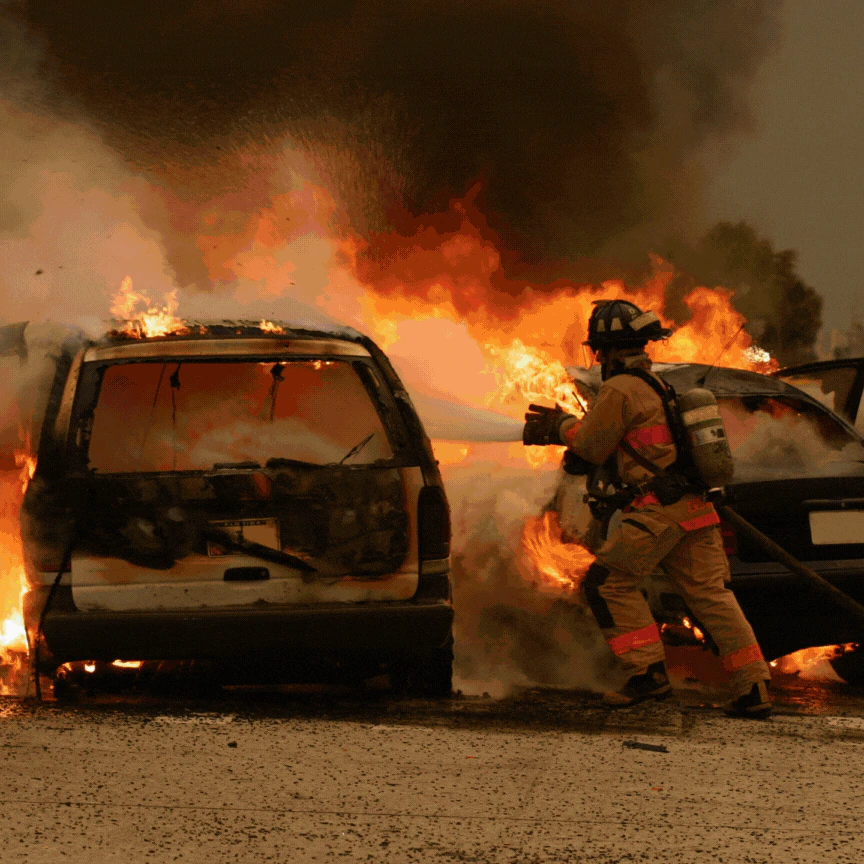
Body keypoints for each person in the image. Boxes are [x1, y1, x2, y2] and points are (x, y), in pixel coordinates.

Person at [523, 300, 772, 718]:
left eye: (600, 350)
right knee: (712, 597)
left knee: (607, 582)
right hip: (693, 508)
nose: (598, 358)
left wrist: (559, 426)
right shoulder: (658, 385)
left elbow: (590, 444)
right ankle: (754, 687)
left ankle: (647, 675)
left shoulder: (620, 388)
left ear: (610, 350)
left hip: (660, 512)